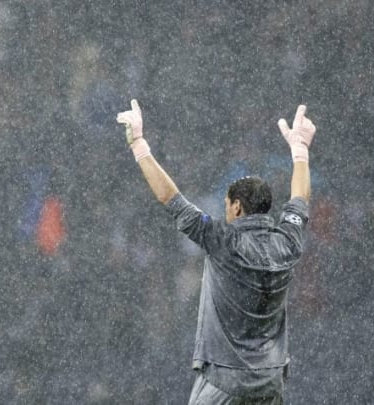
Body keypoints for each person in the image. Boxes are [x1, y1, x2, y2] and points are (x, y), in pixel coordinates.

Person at [116, 100, 316, 404]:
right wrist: (300, 151)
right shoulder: (288, 240)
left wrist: (139, 145)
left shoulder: (222, 239)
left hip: (225, 380)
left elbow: (170, 198)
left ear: (236, 206)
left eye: (226, 206)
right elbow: (300, 198)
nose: (224, 212)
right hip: (271, 383)